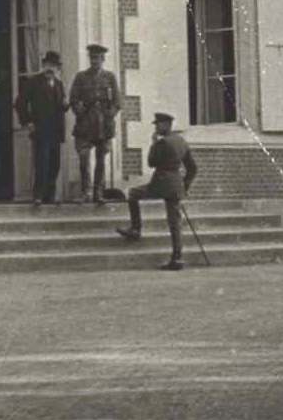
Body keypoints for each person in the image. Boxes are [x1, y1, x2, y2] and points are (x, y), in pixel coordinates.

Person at [115, 111, 198, 270]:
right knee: (174, 222)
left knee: (132, 194)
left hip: (160, 183)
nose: (156, 127)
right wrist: (184, 185)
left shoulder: (162, 143)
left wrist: (153, 143)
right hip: (176, 185)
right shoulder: (181, 141)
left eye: (158, 124)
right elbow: (193, 168)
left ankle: (136, 229)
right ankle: (177, 258)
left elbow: (151, 163)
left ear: (166, 125)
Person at [68, 43, 122, 205]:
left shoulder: (110, 77)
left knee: (101, 160)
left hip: (103, 125)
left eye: (98, 58)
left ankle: (98, 193)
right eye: (92, 58)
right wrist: (80, 111)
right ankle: (86, 191)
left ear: (103, 59)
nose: (95, 61)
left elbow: (117, 102)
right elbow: (73, 99)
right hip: (85, 124)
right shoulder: (81, 77)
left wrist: (109, 115)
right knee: (84, 159)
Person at [14, 51, 69, 205]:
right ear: (43, 65)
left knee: (54, 164)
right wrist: (28, 122)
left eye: (54, 65)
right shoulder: (33, 82)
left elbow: (61, 106)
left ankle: (50, 196)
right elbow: (19, 103)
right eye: (48, 65)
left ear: (58, 68)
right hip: (40, 129)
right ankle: (38, 195)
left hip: (56, 131)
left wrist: (66, 105)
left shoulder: (59, 84)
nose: (50, 68)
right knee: (42, 163)